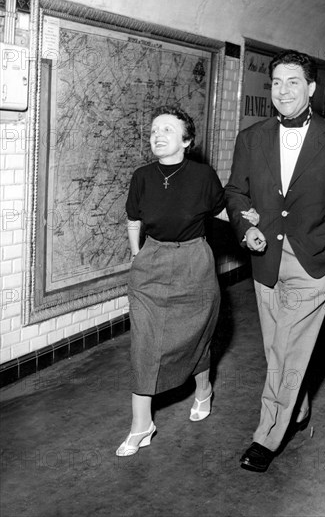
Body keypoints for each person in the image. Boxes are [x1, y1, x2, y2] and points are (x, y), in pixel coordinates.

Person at [225, 50, 325, 472]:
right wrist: (242, 227)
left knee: (286, 348)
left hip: (312, 262)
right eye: (277, 83)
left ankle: (267, 436)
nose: (283, 91)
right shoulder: (251, 137)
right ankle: (298, 410)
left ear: (312, 88)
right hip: (265, 261)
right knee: (277, 351)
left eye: (293, 82)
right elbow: (235, 192)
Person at [116, 105, 225, 457]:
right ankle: (141, 424)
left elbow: (224, 212)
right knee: (143, 343)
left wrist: (252, 223)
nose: (157, 136)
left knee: (196, 334)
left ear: (186, 139)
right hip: (151, 262)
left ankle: (204, 389)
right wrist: (138, 256)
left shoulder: (204, 176)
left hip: (194, 261)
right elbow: (134, 219)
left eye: (166, 129)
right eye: (153, 131)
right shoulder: (142, 176)